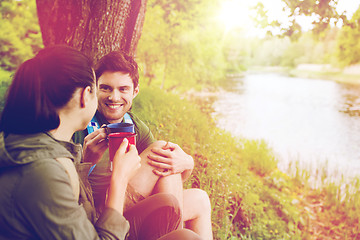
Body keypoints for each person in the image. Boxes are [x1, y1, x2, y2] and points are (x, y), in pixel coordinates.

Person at [0, 45, 201, 240]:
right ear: (85, 95)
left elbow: (73, 203)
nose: (112, 97)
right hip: (101, 225)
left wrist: (87, 160)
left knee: (176, 210)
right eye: (100, 89)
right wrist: (120, 178)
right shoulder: (41, 169)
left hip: (92, 223)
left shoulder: (36, 144)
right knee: (187, 237)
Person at [73, 51, 213, 239]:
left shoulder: (135, 126)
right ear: (95, 89)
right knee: (161, 150)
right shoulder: (81, 123)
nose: (114, 97)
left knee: (200, 199)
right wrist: (85, 160)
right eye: (106, 88)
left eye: (123, 89)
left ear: (135, 91)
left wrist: (188, 162)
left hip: (127, 206)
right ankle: (175, 235)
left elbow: (168, 175)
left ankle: (172, 233)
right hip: (99, 213)